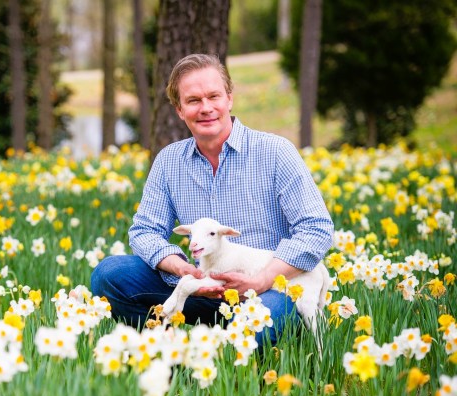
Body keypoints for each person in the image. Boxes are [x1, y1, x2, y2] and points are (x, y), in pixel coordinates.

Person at [90, 53, 334, 347]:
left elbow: (316, 229)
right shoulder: (169, 161)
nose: (206, 108)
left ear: (229, 99)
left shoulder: (275, 152)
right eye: (193, 100)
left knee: (254, 326)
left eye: (214, 96)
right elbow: (144, 232)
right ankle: (168, 360)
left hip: (269, 288)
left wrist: (261, 280)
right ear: (180, 110)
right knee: (109, 275)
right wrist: (183, 268)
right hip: (203, 286)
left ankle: (246, 365)